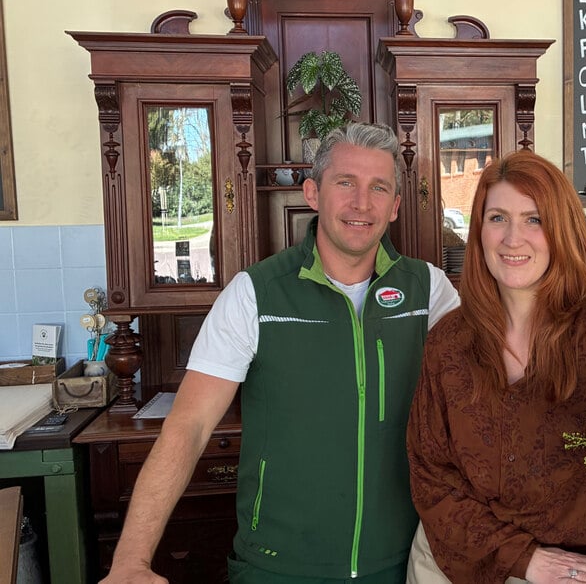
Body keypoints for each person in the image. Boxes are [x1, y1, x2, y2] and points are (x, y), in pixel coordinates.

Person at [103, 122, 460, 583]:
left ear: (394, 206)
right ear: (313, 193)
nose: (362, 203)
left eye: (379, 188)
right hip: (277, 566)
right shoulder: (255, 293)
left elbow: (477, 407)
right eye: (345, 183)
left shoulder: (429, 290)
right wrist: (131, 561)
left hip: (400, 563)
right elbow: (188, 426)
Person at [405, 151, 586, 584]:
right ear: (478, 231)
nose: (512, 238)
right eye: (497, 218)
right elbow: (429, 476)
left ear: (561, 229)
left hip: (572, 569)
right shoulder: (449, 341)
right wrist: (525, 559)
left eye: (533, 219)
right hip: (453, 564)